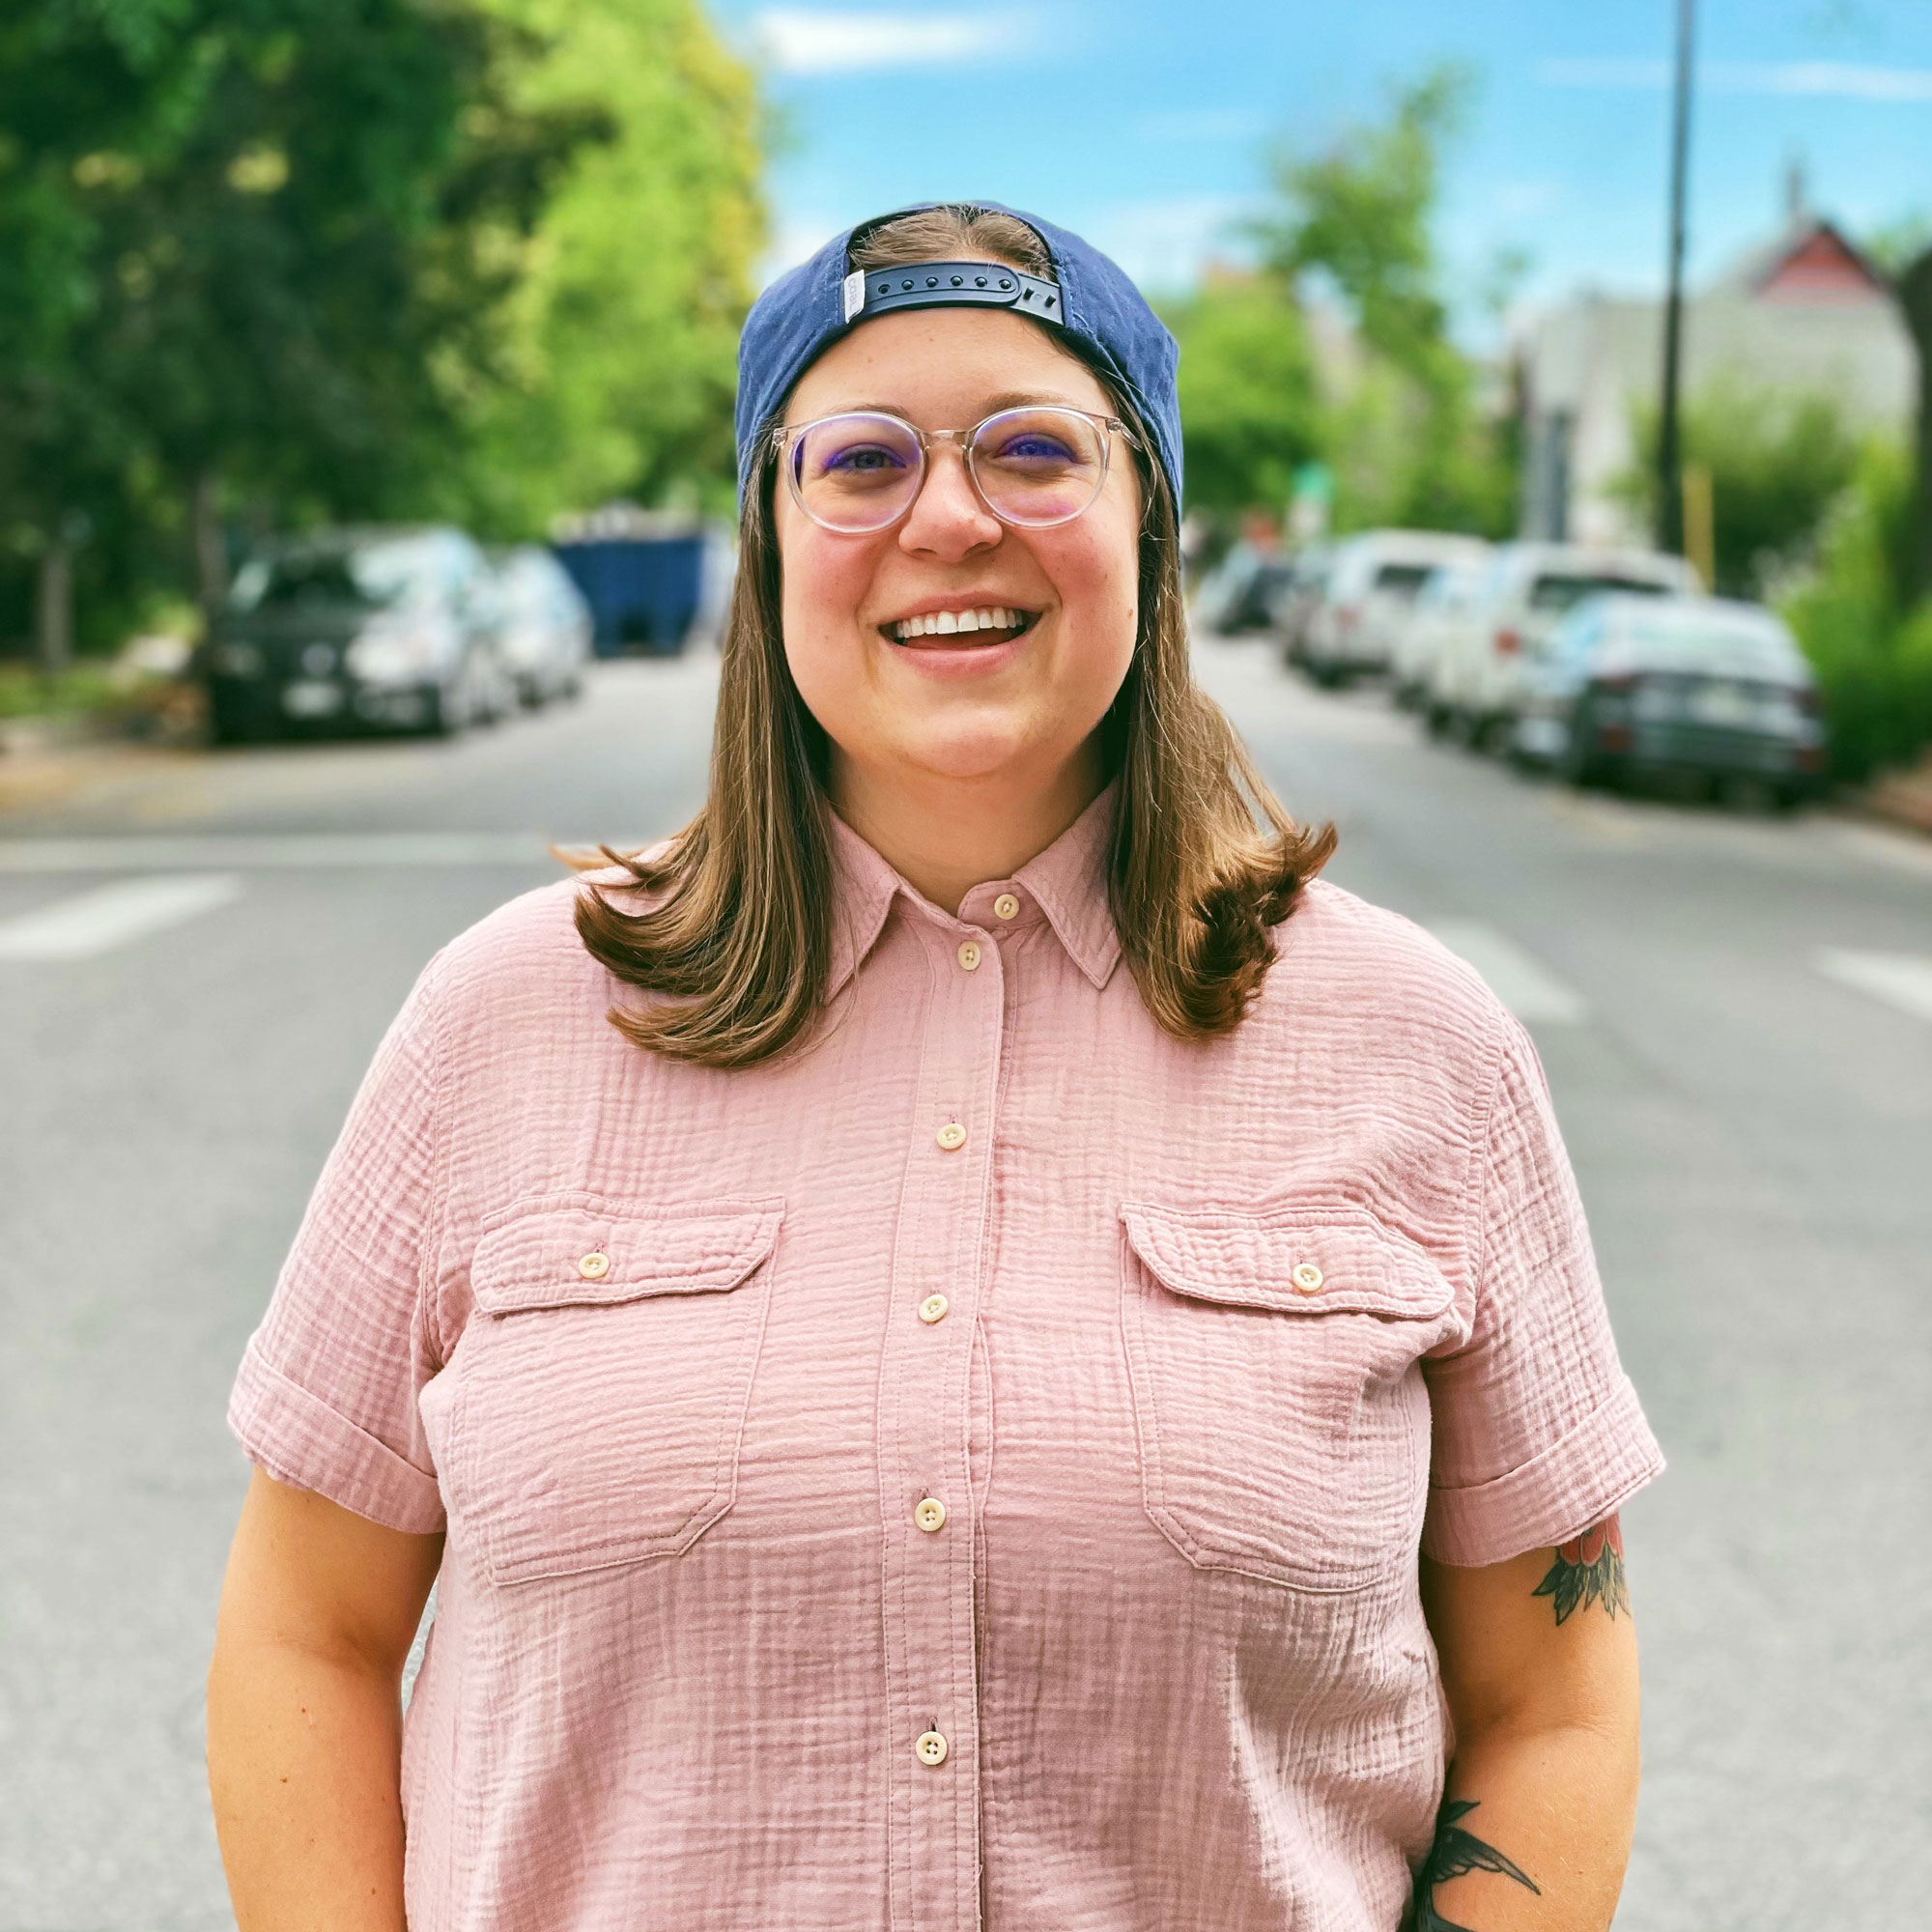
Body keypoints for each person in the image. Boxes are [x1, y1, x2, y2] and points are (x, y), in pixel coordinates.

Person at [206, 201, 1663, 1932]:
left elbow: (1554, 1704)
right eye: (864, 460)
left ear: (1152, 529)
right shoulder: (501, 1025)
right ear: (768, 539)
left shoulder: (1422, 1049)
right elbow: (310, 1632)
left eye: (1037, 450)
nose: (952, 519)